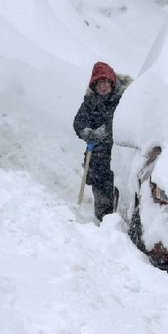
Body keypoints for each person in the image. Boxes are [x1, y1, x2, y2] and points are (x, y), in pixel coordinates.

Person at [73, 61, 132, 222]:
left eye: (105, 82)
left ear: (112, 82)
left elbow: (123, 121)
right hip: (97, 156)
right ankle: (103, 225)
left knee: (120, 191)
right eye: (99, 83)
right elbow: (78, 122)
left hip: (119, 154)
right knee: (101, 192)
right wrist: (87, 132)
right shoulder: (90, 101)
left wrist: (104, 131)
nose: (103, 86)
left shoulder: (124, 99)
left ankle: (121, 223)